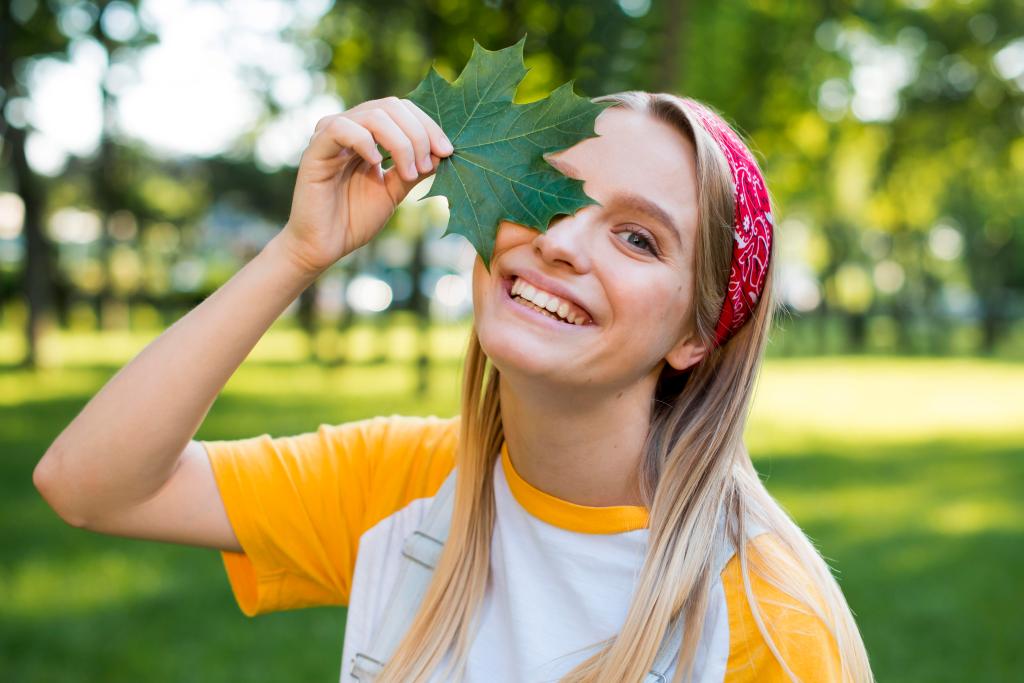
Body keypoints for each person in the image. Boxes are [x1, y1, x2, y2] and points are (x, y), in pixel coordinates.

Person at [33, 91, 875, 683]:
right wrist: (299, 251)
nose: (563, 243)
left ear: (697, 335)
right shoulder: (403, 485)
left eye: (638, 238)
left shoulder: (769, 623)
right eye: (553, 193)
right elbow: (88, 485)